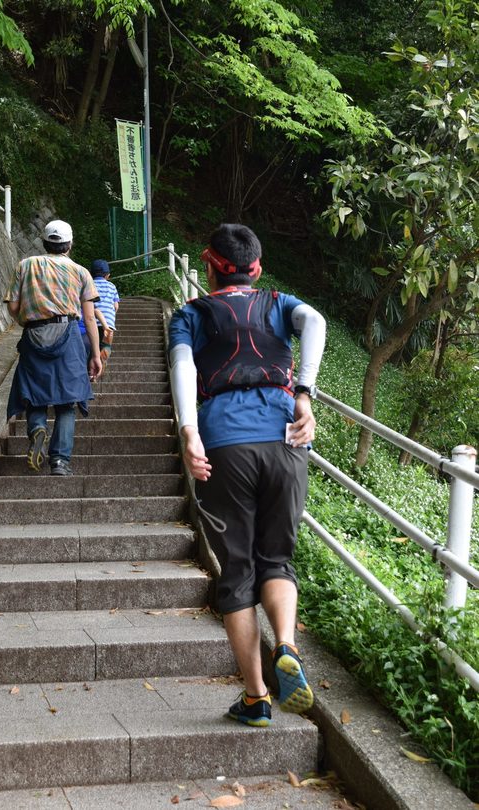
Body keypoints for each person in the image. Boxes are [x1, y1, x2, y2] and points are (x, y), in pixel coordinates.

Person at [168, 223, 326, 727]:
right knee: (276, 558)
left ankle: (256, 697)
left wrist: (189, 431)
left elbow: (183, 365)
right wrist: (304, 392)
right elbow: (316, 322)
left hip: (224, 445)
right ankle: (287, 644)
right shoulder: (279, 303)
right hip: (286, 440)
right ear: (256, 267)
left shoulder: (191, 313)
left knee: (237, 572)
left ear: (211, 266)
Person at [4, 219, 102, 476]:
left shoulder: (25, 265)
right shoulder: (81, 272)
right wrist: (95, 352)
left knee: (35, 393)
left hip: (34, 335)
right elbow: (90, 317)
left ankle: (37, 428)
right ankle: (59, 461)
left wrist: (27, 321)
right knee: (67, 401)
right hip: (68, 335)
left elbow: (13, 306)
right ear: (70, 244)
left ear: (44, 242)